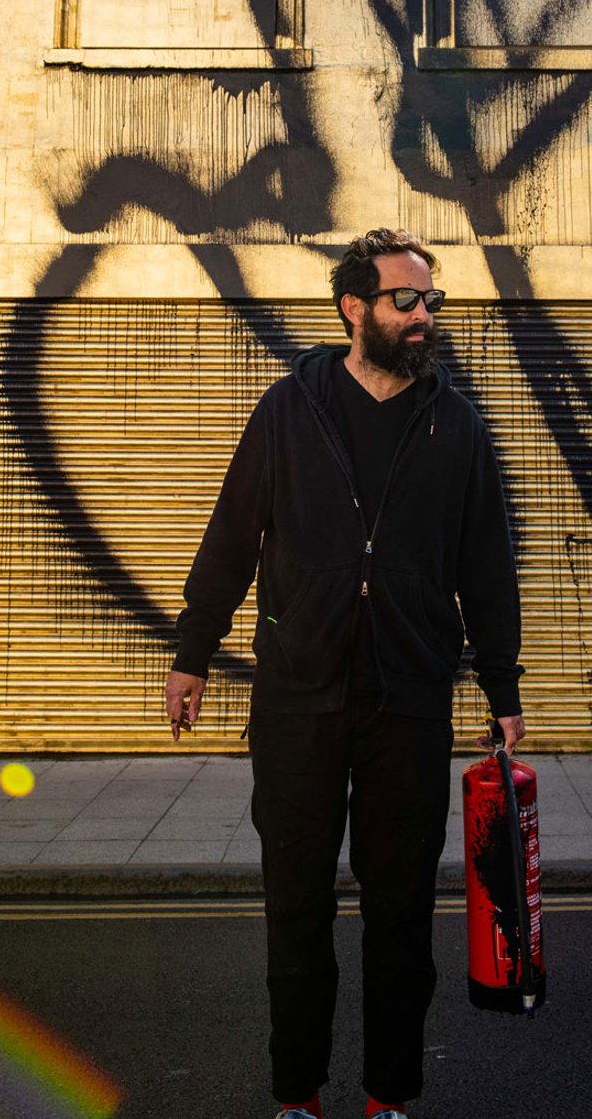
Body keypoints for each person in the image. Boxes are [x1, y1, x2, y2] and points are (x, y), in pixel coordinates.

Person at [165, 227, 524, 1119]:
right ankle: (298, 1097)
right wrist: (192, 654)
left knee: (401, 919)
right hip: (298, 699)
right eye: (407, 299)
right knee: (297, 910)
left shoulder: (456, 422)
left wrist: (503, 686)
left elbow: (486, 565)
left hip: (407, 700)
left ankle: (390, 1098)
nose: (424, 315)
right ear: (354, 308)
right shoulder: (289, 409)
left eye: (432, 300)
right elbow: (231, 538)